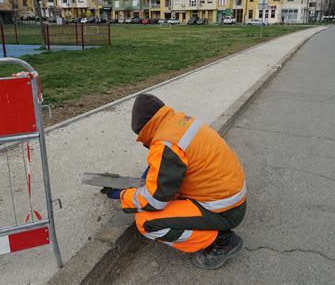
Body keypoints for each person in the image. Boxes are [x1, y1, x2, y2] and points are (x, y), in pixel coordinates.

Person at [102, 94, 246, 270]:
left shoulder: (165, 145)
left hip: (223, 210)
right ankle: (218, 233)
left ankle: (223, 242)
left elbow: (155, 200)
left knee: (146, 222)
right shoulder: (180, 123)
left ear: (145, 131)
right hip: (229, 198)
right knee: (167, 197)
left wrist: (122, 194)